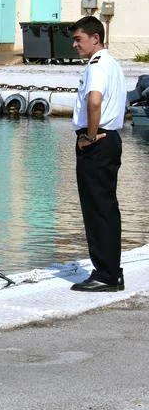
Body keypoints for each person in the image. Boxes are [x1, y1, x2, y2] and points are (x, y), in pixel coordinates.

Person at [69, 16, 127, 292]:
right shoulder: (113, 64)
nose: (74, 44)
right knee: (107, 208)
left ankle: (105, 274)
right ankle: (112, 270)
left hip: (97, 141)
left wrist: (89, 137)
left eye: (79, 39)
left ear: (95, 38)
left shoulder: (97, 66)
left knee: (97, 210)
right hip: (111, 139)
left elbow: (94, 101)